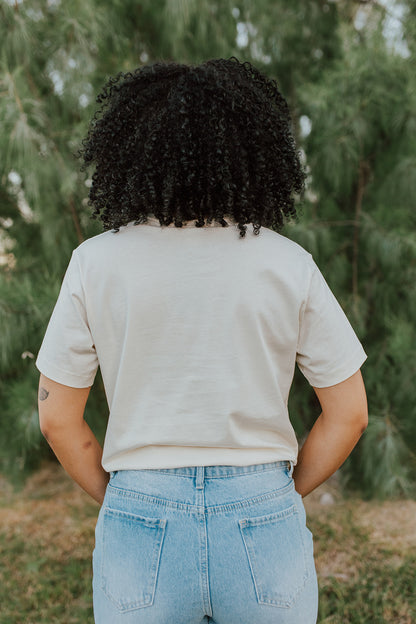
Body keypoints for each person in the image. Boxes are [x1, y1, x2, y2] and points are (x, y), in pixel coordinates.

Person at [36, 57, 368, 624]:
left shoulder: (95, 263)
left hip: (140, 511)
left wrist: (127, 501)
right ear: (252, 148)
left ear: (131, 147)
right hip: (262, 508)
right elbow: (350, 414)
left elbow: (57, 419)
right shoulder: (288, 264)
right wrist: (279, 495)